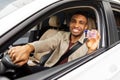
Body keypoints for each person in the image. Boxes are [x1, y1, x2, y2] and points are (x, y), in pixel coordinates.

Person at [8, 11, 100, 74]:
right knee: (18, 69)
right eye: (73, 21)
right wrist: (28, 48)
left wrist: (91, 50)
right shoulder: (62, 35)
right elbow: (46, 43)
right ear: (69, 23)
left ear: (85, 26)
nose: (76, 25)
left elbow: (89, 66)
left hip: (69, 74)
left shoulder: (89, 39)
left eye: (81, 23)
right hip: (50, 70)